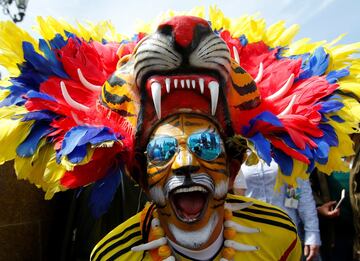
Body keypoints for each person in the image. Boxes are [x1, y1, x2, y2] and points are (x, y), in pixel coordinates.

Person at [0, 7, 359, 261]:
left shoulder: (279, 235)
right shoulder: (111, 254)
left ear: (232, 166)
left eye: (205, 145)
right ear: (138, 174)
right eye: (163, 150)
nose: (186, 163)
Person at [240, 158, 321, 261]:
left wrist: (312, 234)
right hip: (252, 235)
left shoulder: (287, 148)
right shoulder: (240, 148)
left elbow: (302, 194)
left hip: (287, 232)